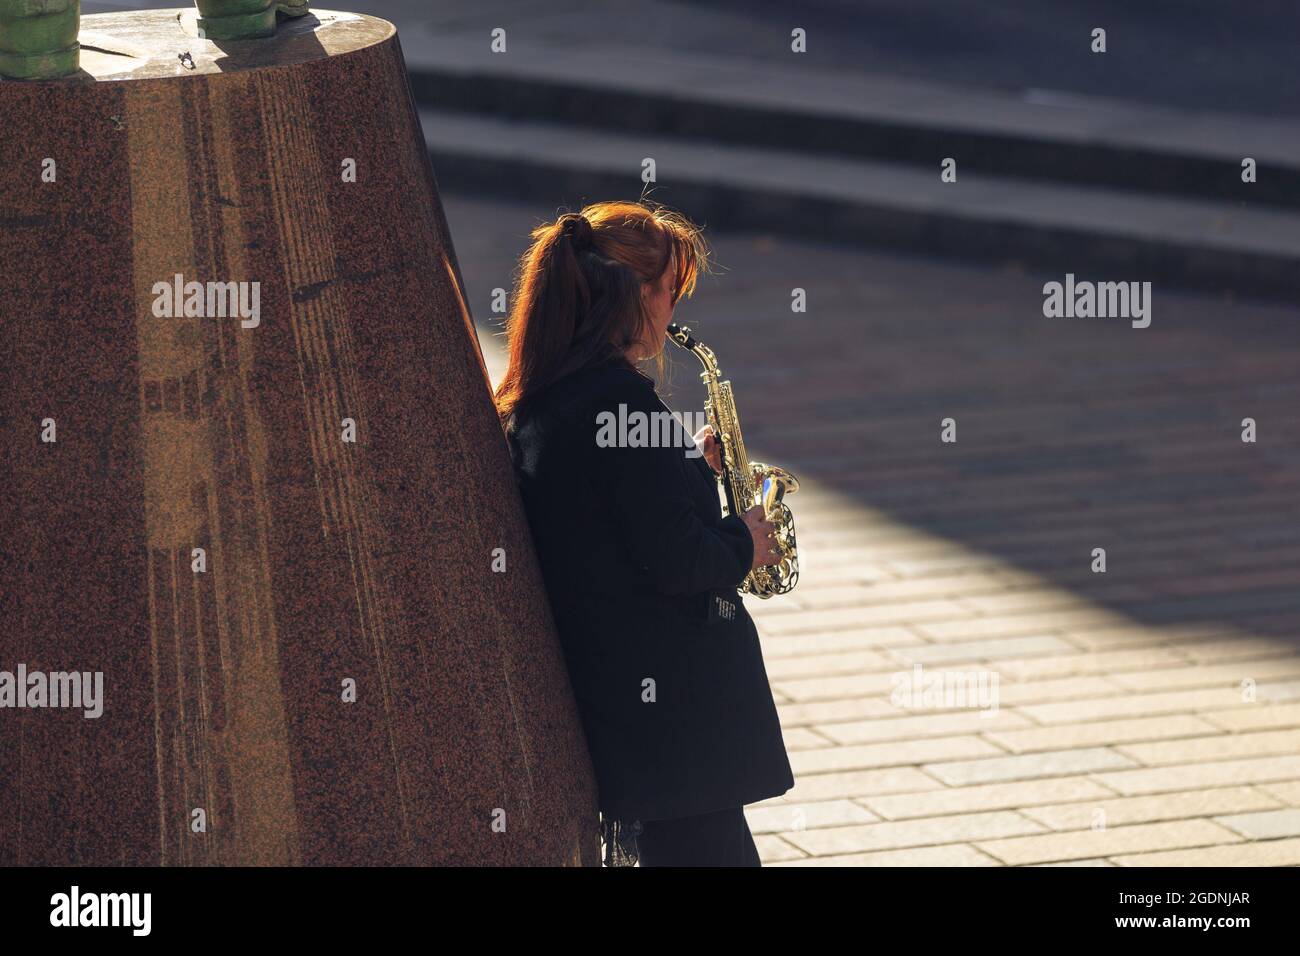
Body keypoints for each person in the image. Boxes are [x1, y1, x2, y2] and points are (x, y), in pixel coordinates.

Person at [495, 200, 794, 867]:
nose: (673, 310)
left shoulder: (549, 394)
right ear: (634, 295)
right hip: (673, 721)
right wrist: (745, 538)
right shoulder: (622, 403)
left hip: (625, 701)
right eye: (669, 292)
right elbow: (680, 561)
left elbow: (612, 506)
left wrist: (685, 460)